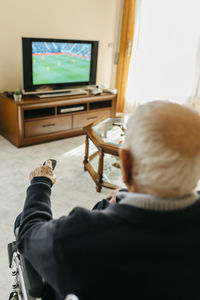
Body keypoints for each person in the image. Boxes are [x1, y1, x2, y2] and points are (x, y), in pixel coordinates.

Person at [17, 101, 200, 300]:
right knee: (105, 205)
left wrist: (40, 183)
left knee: (23, 219)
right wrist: (129, 193)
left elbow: (28, 234)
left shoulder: (73, 236)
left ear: (126, 163)